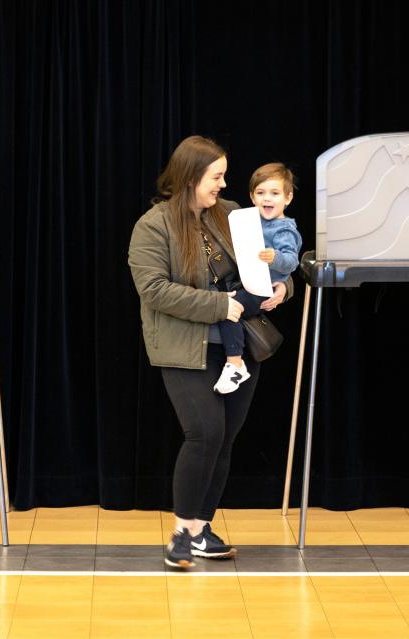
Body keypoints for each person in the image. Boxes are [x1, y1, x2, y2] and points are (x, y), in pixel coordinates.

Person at [128, 136, 293, 568]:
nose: (223, 183)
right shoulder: (154, 224)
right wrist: (219, 305)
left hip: (240, 345)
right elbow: (153, 289)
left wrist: (283, 286)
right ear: (190, 176)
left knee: (223, 441)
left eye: (223, 175)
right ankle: (181, 533)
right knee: (204, 435)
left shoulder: (234, 214)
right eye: (215, 176)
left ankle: (201, 530)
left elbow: (269, 263)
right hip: (186, 348)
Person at [212, 163, 302, 394]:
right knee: (228, 308)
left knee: (229, 310)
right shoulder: (251, 220)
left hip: (262, 287)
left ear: (288, 198)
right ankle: (235, 362)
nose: (267, 199)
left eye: (274, 193)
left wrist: (276, 257)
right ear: (252, 197)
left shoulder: (284, 229)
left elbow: (292, 261)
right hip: (250, 281)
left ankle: (235, 364)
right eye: (260, 193)